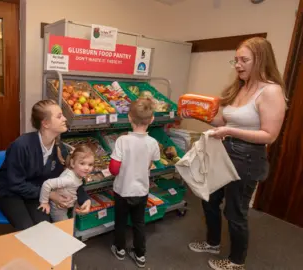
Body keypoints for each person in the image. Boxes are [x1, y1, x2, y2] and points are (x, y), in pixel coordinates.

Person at [184, 37, 287, 270]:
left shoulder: (271, 91)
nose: (238, 65)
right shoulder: (241, 87)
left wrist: (230, 130)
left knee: (235, 212)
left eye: (244, 60)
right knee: (209, 199)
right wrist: (196, 113)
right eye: (236, 60)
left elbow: (269, 135)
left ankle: (236, 261)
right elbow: (222, 120)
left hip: (247, 158)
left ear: (260, 60)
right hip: (224, 152)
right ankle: (212, 242)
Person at [0, 99, 91, 230]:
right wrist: (51, 195)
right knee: (27, 228)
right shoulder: (21, 145)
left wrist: (84, 199)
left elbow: (72, 177)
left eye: (63, 115)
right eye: (59, 116)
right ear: (45, 123)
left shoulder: (61, 150)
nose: (64, 119)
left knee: (44, 227)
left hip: (37, 192)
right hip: (11, 193)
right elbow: (15, 184)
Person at [108, 98, 161, 268]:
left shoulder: (122, 141)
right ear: (151, 119)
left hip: (122, 190)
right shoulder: (153, 143)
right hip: (141, 191)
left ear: (129, 118)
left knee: (121, 221)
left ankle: (120, 248)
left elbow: (114, 169)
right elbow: (150, 164)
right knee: (139, 223)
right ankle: (140, 254)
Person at [38, 145, 94, 222]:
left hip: (65, 206)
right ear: (73, 163)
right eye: (82, 163)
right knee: (65, 229)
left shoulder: (76, 173)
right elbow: (47, 184)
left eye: (90, 164)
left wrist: (86, 200)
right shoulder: (69, 179)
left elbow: (78, 188)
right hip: (58, 210)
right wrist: (44, 202)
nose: (87, 168)